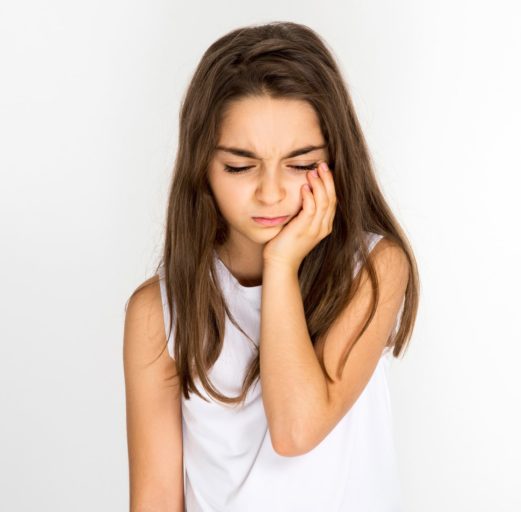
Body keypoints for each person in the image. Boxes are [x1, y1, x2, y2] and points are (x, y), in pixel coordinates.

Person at [122, 21, 419, 511]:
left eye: (301, 164)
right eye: (240, 166)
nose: (271, 191)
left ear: (336, 160)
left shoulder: (374, 269)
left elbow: (296, 428)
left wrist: (280, 265)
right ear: (202, 168)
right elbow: (155, 498)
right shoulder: (159, 313)